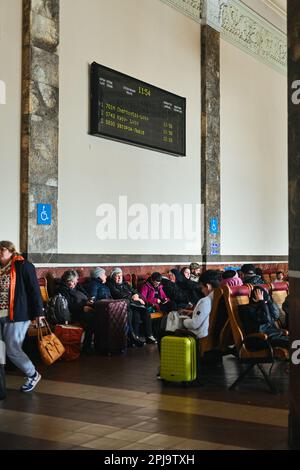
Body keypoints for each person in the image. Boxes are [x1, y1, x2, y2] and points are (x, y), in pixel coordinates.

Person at [0, 240, 43, 393]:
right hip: (1, 314)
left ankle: (32, 374)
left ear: (11, 251)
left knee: (12, 349)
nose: (0, 252)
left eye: (2, 250)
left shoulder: (23, 266)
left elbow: (34, 290)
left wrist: (39, 313)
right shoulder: (1, 268)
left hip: (17, 314)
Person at [107, 268, 157, 344]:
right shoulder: (111, 285)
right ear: (113, 277)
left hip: (133, 304)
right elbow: (119, 295)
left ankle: (149, 336)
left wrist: (139, 297)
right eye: (117, 276)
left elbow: (135, 291)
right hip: (123, 305)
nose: (119, 278)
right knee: (135, 314)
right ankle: (135, 337)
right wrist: (134, 298)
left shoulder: (125, 284)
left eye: (120, 275)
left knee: (145, 312)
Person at [57, 270, 96, 354]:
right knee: (92, 319)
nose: (74, 284)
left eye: (75, 282)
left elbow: (87, 295)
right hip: (74, 313)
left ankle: (100, 344)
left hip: (85, 308)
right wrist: (83, 307)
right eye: (72, 282)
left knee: (100, 314)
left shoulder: (77, 286)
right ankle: (86, 347)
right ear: (66, 281)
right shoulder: (62, 290)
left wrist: (90, 300)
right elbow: (68, 306)